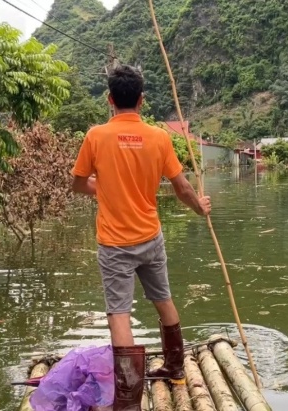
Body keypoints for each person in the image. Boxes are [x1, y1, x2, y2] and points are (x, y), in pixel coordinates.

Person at [71, 64, 211, 411]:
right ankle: (175, 368)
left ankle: (129, 402)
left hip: (115, 242)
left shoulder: (96, 136)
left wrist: (102, 190)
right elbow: (181, 187)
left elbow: (76, 184)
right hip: (151, 236)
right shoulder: (160, 137)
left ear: (110, 99)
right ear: (142, 100)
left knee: (119, 313)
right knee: (162, 298)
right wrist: (200, 208)